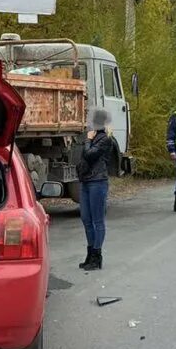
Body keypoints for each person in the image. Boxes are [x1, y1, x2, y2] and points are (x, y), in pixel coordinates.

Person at [76, 108, 120, 272]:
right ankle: (90, 254)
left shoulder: (105, 139)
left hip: (98, 181)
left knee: (97, 220)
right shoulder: (94, 136)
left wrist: (88, 141)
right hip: (86, 180)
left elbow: (89, 155)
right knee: (86, 219)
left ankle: (97, 256)